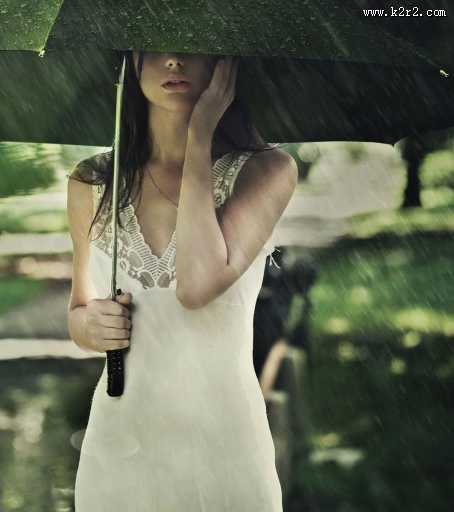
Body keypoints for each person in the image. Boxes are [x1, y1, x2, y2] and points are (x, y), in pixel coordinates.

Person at [67, 52, 297, 511]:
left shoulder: (267, 171)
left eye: (192, 44)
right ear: (132, 61)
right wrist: (91, 327)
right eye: (155, 44)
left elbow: (196, 286)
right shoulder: (92, 182)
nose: (173, 59)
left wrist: (200, 137)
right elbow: (78, 311)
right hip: (121, 451)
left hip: (225, 450)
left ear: (226, 63)